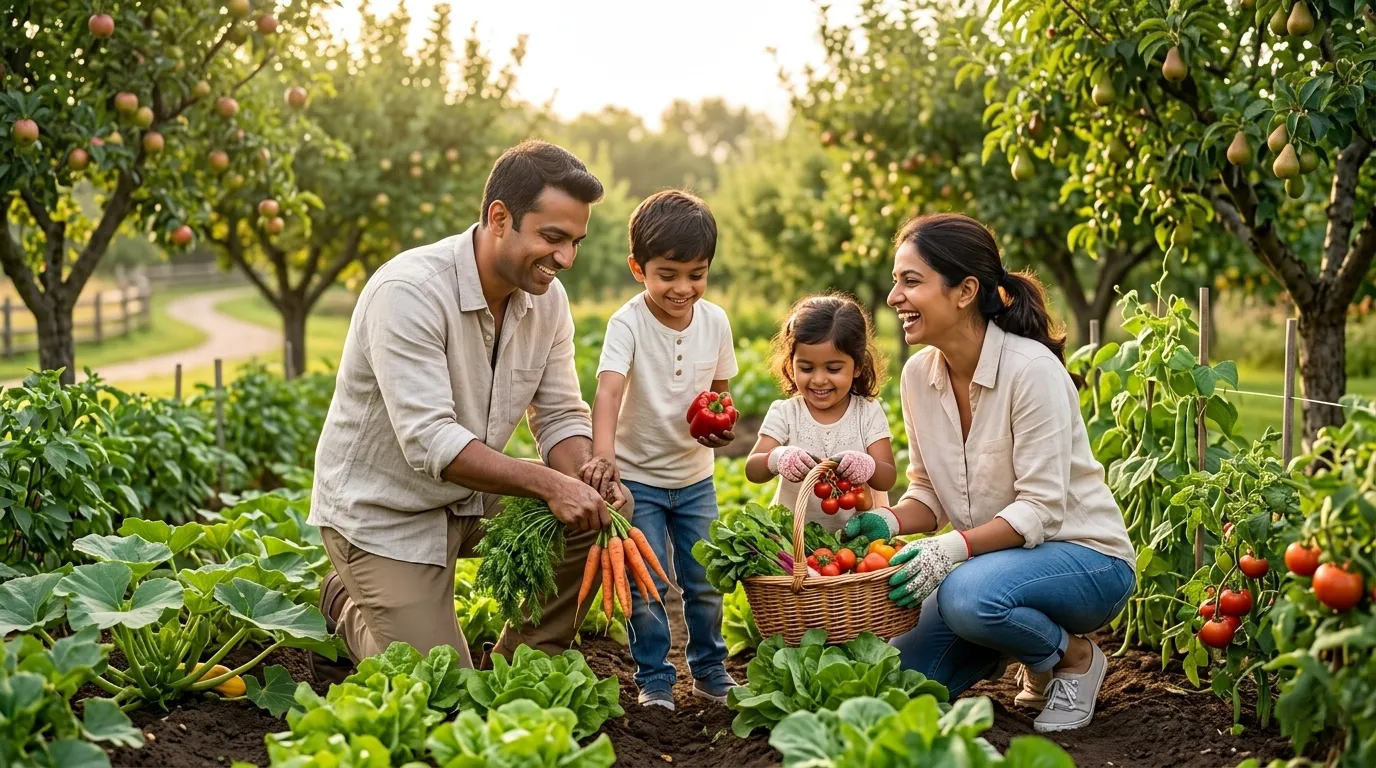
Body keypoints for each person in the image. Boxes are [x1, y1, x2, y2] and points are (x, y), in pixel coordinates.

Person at [307, 139, 632, 681]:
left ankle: (523, 660)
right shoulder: (408, 291)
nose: (567, 259)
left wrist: (585, 478)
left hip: (471, 498)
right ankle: (345, 603)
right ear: (499, 218)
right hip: (383, 514)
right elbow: (431, 441)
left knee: (606, 516)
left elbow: (557, 414)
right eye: (553, 238)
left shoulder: (547, 300)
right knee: (438, 686)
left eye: (575, 241)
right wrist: (551, 485)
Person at [839, 212, 1136, 733]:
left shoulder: (1031, 371)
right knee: (897, 684)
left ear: (964, 290)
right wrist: (890, 522)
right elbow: (928, 490)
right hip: (994, 567)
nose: (893, 297)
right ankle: (1023, 648)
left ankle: (1072, 659)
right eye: (895, 281)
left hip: (1087, 561)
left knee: (967, 597)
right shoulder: (918, 376)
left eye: (911, 281)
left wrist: (952, 549)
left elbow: (1041, 509)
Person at [582, 189, 739, 711]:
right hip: (638, 480)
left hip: (695, 477)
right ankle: (653, 678)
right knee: (646, 585)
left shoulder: (715, 322)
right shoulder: (627, 323)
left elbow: (719, 394)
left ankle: (710, 671)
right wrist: (604, 461)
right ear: (637, 268)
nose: (683, 287)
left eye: (696, 273)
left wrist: (720, 427)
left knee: (703, 580)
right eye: (668, 274)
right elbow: (608, 390)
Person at [745, 293, 897, 534]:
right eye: (806, 368)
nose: (818, 379)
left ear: (857, 366)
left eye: (833, 368)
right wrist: (776, 458)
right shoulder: (786, 413)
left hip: (857, 540)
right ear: (790, 364)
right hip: (793, 540)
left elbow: (887, 477)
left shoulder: (867, 412)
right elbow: (752, 469)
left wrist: (868, 465)